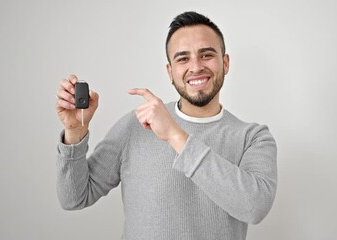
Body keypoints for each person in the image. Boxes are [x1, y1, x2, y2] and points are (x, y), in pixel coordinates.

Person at [55, 11, 277, 240]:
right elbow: (74, 198)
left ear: (226, 63)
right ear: (170, 72)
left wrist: (174, 134)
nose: (196, 67)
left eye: (207, 55)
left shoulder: (253, 138)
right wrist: (74, 132)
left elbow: (255, 207)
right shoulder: (136, 125)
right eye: (183, 59)